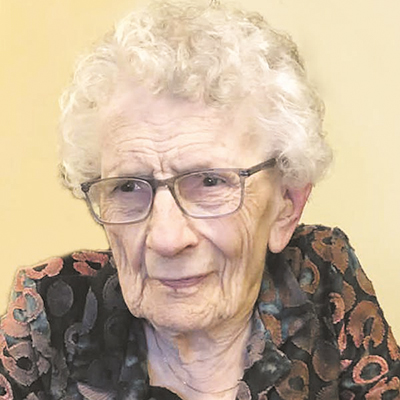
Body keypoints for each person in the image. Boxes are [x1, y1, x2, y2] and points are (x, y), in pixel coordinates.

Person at [0, 1, 399, 399]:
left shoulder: (324, 285)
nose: (166, 239)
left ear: (286, 206)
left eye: (209, 182)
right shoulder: (49, 317)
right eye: (128, 187)